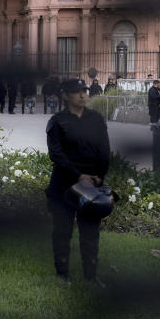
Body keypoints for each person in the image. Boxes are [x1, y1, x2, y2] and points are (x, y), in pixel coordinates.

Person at [45, 79, 111, 285]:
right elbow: (56, 155)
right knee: (63, 231)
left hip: (92, 186)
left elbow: (104, 150)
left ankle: (91, 276)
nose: (83, 95)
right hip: (64, 185)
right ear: (65, 95)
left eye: (85, 91)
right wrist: (78, 175)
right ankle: (62, 274)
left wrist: (99, 175)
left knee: (90, 233)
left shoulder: (96, 119)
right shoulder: (57, 121)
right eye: (77, 92)